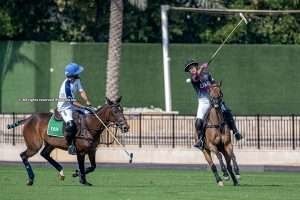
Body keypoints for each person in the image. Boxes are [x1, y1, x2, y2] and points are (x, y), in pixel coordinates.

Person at [184, 60, 243, 150]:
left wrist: (214, 89)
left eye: (192, 67)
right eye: (189, 69)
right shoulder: (193, 78)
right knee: (198, 122)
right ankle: (200, 140)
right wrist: (202, 67)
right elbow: (196, 76)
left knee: (227, 112)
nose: (191, 70)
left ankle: (236, 132)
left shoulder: (207, 75)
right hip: (204, 102)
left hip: (214, 100)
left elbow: (214, 84)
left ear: (196, 66)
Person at [57, 62, 91, 155]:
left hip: (72, 105)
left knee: (91, 115)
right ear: (72, 74)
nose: (78, 74)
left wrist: (87, 101)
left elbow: (81, 91)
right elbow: (73, 102)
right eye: (77, 73)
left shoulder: (77, 80)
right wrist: (84, 107)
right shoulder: (66, 87)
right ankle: (70, 144)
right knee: (71, 125)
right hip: (64, 108)